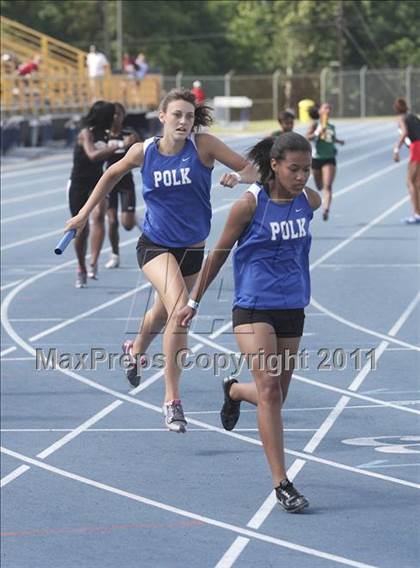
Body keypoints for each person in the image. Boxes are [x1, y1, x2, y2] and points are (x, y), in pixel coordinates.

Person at [64, 88, 257, 432]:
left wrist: (237, 176)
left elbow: (252, 170)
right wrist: (82, 214)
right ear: (162, 116)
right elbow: (110, 175)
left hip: (192, 249)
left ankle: (135, 347)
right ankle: (172, 400)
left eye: (189, 116)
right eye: (177, 115)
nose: (184, 122)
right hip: (154, 245)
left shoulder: (205, 145)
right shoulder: (144, 151)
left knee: (162, 312)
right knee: (181, 309)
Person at [178, 132, 320, 512]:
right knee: (271, 390)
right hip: (253, 307)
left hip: (293, 307)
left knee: (275, 396)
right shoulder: (248, 206)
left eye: (307, 169)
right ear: (274, 165)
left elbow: (316, 198)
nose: (302, 176)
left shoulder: (308, 200)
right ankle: (282, 483)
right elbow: (218, 257)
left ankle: (235, 391)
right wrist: (193, 301)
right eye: (294, 169)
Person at [67, 101, 129, 288]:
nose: (115, 119)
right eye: (113, 115)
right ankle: (81, 266)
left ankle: (93, 262)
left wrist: (128, 141)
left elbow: (124, 140)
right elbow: (93, 155)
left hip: (97, 182)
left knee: (99, 216)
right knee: (80, 229)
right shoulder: (86, 133)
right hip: (78, 184)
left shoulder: (106, 133)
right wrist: (118, 145)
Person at [105, 103, 141, 268]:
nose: (115, 117)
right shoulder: (102, 135)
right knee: (112, 221)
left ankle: (135, 218)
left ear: (123, 116)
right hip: (108, 183)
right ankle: (114, 254)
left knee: (127, 225)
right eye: (112, 114)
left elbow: (143, 151)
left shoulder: (130, 134)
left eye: (118, 114)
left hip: (125, 182)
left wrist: (134, 142)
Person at [306, 102, 344, 221]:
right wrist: (318, 131)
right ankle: (324, 197)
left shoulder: (331, 127)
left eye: (329, 107)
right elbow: (307, 137)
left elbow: (331, 139)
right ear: (320, 111)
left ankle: (326, 209)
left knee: (328, 186)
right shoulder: (315, 125)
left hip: (329, 158)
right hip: (316, 159)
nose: (328, 109)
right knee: (319, 185)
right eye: (325, 107)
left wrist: (338, 142)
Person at [393, 97, 420, 224]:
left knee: (410, 181)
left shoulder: (402, 119)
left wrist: (396, 149)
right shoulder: (413, 116)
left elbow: (404, 133)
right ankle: (418, 213)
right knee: (417, 182)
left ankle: (416, 214)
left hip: (417, 146)